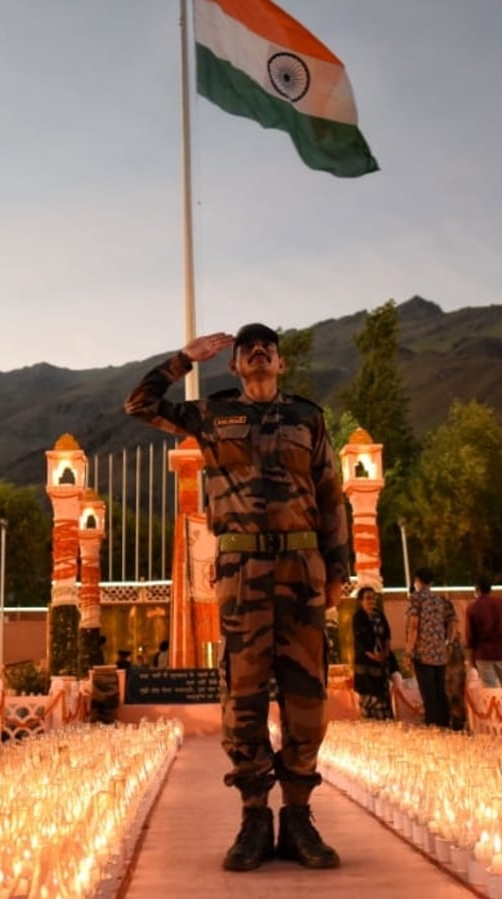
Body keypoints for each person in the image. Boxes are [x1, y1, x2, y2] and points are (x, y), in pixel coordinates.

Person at [125, 323, 348, 872]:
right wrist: (183, 358)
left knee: (307, 693)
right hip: (242, 569)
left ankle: (297, 816)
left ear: (281, 363)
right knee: (241, 692)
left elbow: (329, 491)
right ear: (234, 365)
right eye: (248, 347)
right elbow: (139, 404)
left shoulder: (307, 417)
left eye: (267, 346)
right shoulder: (212, 414)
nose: (258, 351)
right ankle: (254, 815)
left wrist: (339, 567)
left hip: (302, 566)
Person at [404, 569, 455, 727]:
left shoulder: (416, 598)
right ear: (432, 582)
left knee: (428, 694)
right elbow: (452, 625)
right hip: (439, 653)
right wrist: (447, 642)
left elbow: (413, 627)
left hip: (422, 653)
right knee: (440, 692)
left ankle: (433, 726)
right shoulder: (441, 600)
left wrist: (408, 652)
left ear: (417, 580)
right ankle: (445, 724)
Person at [465, 576, 502, 688]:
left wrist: (471, 660)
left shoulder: (472, 608)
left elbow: (470, 637)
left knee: (489, 688)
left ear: (477, 589)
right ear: (490, 589)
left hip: (483, 654)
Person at [351, 587, 395, 720]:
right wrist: (373, 656)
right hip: (365, 661)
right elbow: (359, 640)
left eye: (373, 597)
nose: (371, 601)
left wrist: (385, 653)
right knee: (368, 693)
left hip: (382, 660)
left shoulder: (379, 615)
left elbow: (387, 634)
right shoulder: (358, 617)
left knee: (382, 692)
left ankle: (385, 721)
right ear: (361, 601)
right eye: (368, 598)